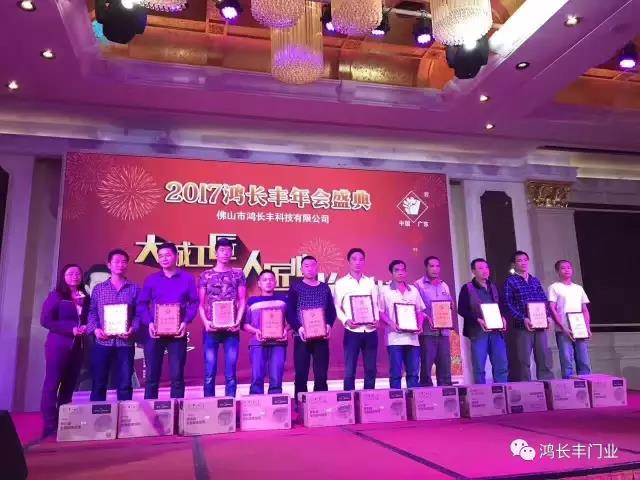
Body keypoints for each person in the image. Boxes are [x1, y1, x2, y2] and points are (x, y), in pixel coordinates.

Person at [138, 242, 198, 399]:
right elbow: (142, 303)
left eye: (168, 255)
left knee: (177, 376)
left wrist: (185, 321)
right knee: (151, 376)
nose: (164, 259)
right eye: (161, 256)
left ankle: (177, 410)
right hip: (154, 333)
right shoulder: (151, 279)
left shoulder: (187, 278)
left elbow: (194, 302)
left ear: (176, 257)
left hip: (178, 333)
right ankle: (150, 411)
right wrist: (149, 322)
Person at [40, 264, 90, 437]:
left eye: (77, 273)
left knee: (69, 385)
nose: (75, 276)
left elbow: (87, 318)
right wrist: (70, 329)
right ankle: (49, 426)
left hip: (77, 346)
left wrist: (86, 326)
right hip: (58, 346)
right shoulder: (56, 296)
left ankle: (63, 422)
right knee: (52, 384)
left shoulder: (85, 296)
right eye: (70, 273)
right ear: (63, 276)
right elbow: (46, 321)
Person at [86, 249, 140, 401]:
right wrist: (95, 329)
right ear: (109, 265)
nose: (120, 265)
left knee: (125, 384)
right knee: (99, 383)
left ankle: (125, 415)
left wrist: (133, 328)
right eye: (117, 261)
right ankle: (98, 414)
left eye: (124, 262)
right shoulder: (99, 289)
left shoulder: (134, 288)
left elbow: (139, 314)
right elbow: (92, 312)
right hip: (103, 342)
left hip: (125, 343)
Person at [199, 237, 246, 397]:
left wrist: (238, 322)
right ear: (216, 253)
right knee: (209, 372)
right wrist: (206, 323)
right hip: (211, 329)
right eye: (222, 250)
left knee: (230, 373)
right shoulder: (206, 275)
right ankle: (209, 405)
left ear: (231, 253)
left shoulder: (238, 274)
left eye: (228, 250)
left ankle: (229, 405)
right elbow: (201, 304)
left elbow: (242, 300)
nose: (225, 253)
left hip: (231, 330)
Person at [286, 255, 336, 402]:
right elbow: (290, 311)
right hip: (301, 336)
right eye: (306, 266)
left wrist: (329, 325)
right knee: (301, 372)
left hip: (321, 336)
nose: (310, 268)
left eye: (313, 265)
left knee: (321, 373)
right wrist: (299, 327)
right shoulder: (296, 286)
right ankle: (301, 403)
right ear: (301, 269)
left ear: (317, 267)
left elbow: (331, 311)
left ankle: (320, 402)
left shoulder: (324, 287)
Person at [503, 250, 554, 381]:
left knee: (543, 356)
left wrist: (548, 316)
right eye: (519, 260)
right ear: (514, 264)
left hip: (540, 325)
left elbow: (543, 299)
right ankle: (526, 386)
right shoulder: (511, 281)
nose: (523, 263)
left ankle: (546, 384)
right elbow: (508, 303)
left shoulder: (535, 280)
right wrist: (523, 318)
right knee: (524, 359)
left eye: (525, 260)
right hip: (523, 326)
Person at [334, 248, 379, 391]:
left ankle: (369, 397)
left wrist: (376, 319)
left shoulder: (370, 282)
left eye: (361, 259)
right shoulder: (341, 283)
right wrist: (346, 320)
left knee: (371, 369)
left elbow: (375, 304)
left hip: (370, 330)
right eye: (354, 259)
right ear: (348, 261)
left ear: (364, 261)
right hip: (352, 331)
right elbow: (336, 306)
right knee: (350, 369)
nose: (357, 262)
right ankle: (349, 398)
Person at [457, 258, 508, 384]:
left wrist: (503, 317)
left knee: (501, 364)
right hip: (478, 331)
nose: (485, 271)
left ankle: (502, 389)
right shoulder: (467, 288)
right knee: (479, 366)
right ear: (473, 271)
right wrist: (477, 319)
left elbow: (502, 305)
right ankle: (481, 392)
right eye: (480, 268)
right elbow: (461, 309)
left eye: (486, 267)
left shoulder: (494, 286)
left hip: (496, 331)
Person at [379, 260, 425, 389]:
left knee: (413, 373)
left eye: (403, 270)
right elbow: (380, 312)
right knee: (395, 373)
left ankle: (413, 399)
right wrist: (391, 323)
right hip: (394, 338)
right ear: (391, 273)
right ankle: (396, 399)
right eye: (397, 270)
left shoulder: (413, 290)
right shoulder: (385, 291)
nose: (400, 273)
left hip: (413, 339)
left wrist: (420, 325)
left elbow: (419, 311)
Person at [243, 269, 289, 394]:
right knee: (257, 377)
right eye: (264, 280)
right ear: (259, 283)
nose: (268, 282)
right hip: (257, 343)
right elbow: (244, 324)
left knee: (276, 378)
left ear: (275, 282)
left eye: (271, 279)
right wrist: (256, 331)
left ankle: (275, 403)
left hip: (278, 343)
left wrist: (285, 330)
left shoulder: (283, 300)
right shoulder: (251, 301)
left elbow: (291, 321)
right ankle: (256, 403)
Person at [414, 256, 454, 386]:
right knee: (426, 366)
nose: (435, 269)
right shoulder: (418, 285)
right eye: (431, 266)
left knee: (445, 366)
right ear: (426, 267)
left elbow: (450, 304)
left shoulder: (444, 285)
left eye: (437, 266)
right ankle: (426, 394)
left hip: (444, 332)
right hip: (427, 332)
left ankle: (446, 391)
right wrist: (427, 317)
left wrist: (450, 306)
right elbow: (416, 308)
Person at [548, 260, 592, 379]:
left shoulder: (578, 288)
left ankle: (586, 384)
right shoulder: (554, 287)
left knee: (584, 361)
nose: (567, 270)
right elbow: (552, 308)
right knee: (567, 361)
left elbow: (584, 309)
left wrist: (587, 327)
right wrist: (563, 327)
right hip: (563, 329)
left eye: (569, 267)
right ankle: (569, 387)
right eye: (563, 268)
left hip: (579, 329)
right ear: (557, 271)